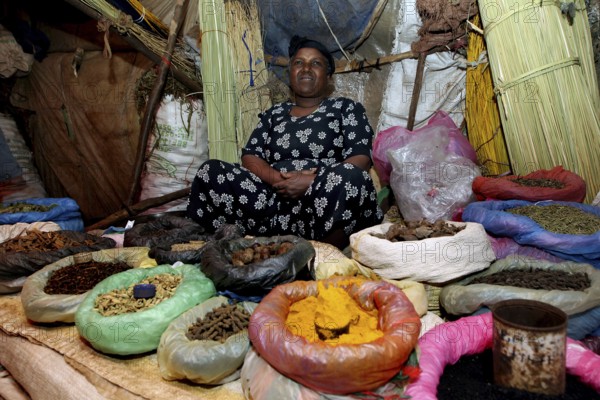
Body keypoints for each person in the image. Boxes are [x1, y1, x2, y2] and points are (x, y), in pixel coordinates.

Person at [186, 35, 383, 249]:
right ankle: (216, 244)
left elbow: (360, 157)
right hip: (272, 202)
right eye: (299, 63)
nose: (306, 68)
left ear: (328, 77)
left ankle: (324, 253)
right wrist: (279, 180)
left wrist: (312, 182)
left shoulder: (345, 108)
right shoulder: (275, 113)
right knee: (211, 171)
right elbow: (251, 155)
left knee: (352, 176)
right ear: (290, 74)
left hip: (324, 202)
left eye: (315, 63)